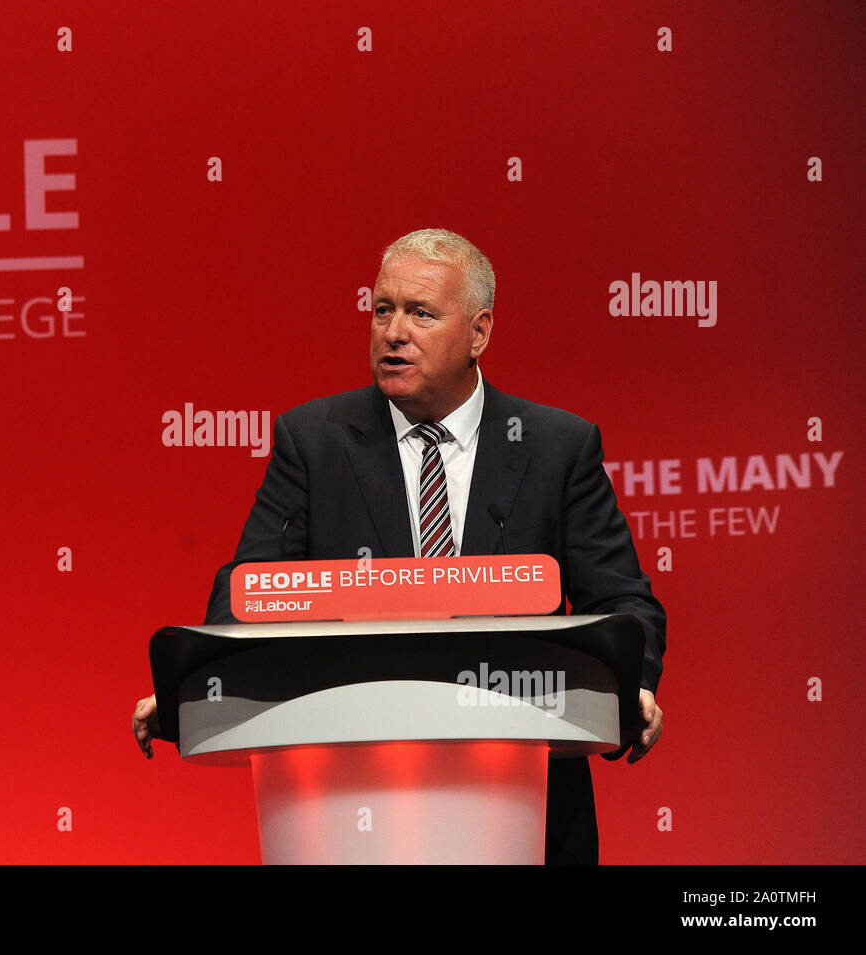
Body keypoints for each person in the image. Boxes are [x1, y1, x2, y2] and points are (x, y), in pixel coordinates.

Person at [133, 228, 665, 864]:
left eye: (420, 313)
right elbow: (251, 589)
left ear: (479, 332)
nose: (393, 332)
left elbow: (623, 597)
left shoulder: (557, 447)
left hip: (527, 794)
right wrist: (195, 689)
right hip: (349, 799)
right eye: (382, 309)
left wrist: (629, 684)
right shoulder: (315, 441)